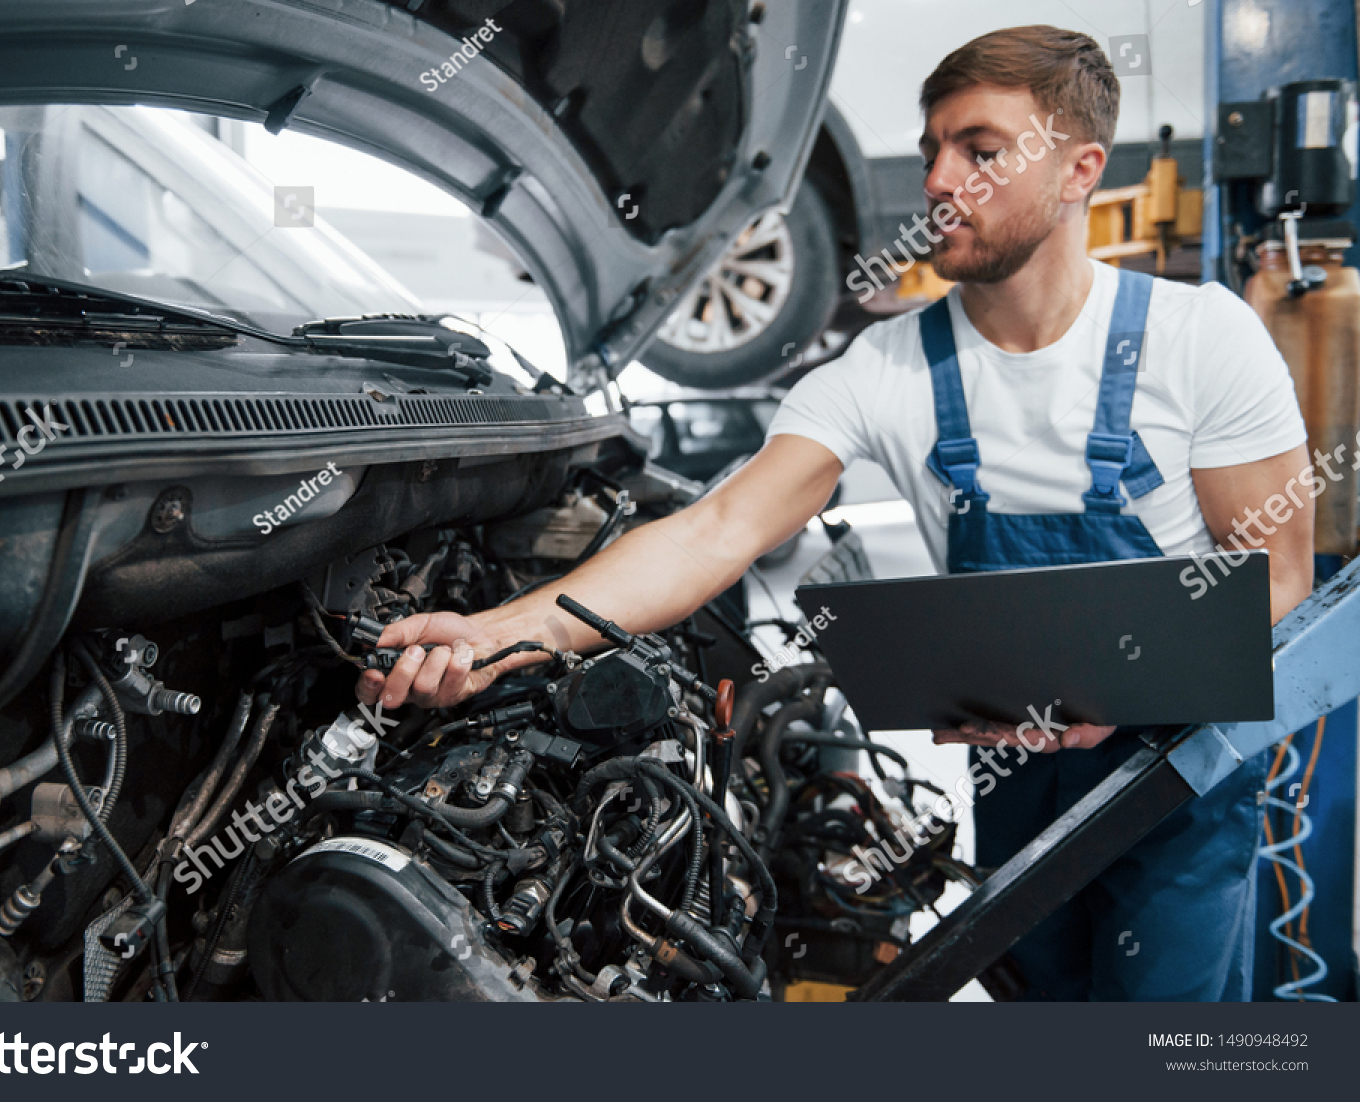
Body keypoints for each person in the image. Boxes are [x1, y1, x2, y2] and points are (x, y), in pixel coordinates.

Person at [356, 25, 1314, 1000]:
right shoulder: (889, 369)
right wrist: (499, 632)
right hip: (1016, 778)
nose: (938, 177)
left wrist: (1115, 686)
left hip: (1180, 769)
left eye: (980, 150)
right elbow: (715, 529)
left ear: (1079, 171)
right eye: (933, 144)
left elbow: (1276, 578)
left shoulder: (1199, 339)